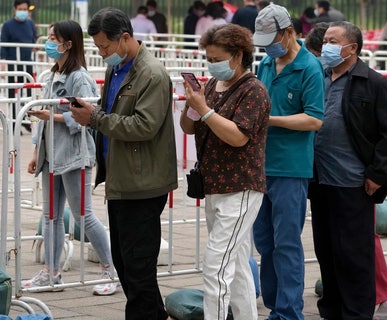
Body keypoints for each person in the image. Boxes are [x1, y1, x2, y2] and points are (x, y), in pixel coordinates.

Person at [69, 7, 177, 319]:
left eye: (105, 46)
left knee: (138, 266)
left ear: (125, 38)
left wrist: (96, 118)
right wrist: (94, 112)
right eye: (98, 47)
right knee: (126, 263)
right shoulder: (117, 69)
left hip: (143, 184)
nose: (102, 53)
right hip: (120, 179)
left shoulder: (151, 74)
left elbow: (144, 126)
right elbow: (114, 111)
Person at [304, 21, 387, 320]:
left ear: (352, 48)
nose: (326, 46)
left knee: (354, 255)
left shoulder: (372, 82)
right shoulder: (318, 77)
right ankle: (331, 310)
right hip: (319, 179)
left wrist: (377, 174)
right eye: (325, 41)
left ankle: (357, 313)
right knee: (327, 250)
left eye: (334, 41)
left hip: (353, 181)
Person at [180, 23, 271, 320]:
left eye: (217, 58)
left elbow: (238, 136)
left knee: (216, 265)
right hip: (214, 185)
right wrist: (191, 105)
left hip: (241, 187)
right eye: (208, 58)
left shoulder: (253, 90)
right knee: (239, 265)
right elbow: (189, 127)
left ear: (238, 55)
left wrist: (205, 110)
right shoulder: (210, 86)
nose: (212, 64)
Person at [21, 20, 117, 297]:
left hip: (74, 156)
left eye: (54, 37)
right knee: (50, 216)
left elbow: (85, 118)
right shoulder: (51, 76)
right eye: (48, 37)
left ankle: (110, 268)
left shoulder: (79, 77)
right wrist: (38, 152)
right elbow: (42, 120)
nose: (49, 42)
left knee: (83, 216)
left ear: (68, 43)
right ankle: (52, 272)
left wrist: (52, 116)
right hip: (51, 156)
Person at [252, 4, 324, 320]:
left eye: (272, 38)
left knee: (286, 242)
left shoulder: (309, 67)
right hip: (259, 165)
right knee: (264, 241)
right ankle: (274, 305)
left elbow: (314, 119)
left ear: (289, 32)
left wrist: (271, 120)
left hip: (290, 168)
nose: (268, 46)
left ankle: (289, 311)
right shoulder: (266, 63)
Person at [1, 0, 38, 133]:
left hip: (27, 63)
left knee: (28, 93)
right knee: (13, 94)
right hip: (13, 64)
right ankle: (13, 122)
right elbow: (3, 44)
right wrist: (3, 62)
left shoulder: (30, 24)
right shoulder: (8, 25)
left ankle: (26, 120)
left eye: (25, 9)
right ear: (15, 9)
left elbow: (33, 40)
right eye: (20, 9)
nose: (23, 11)